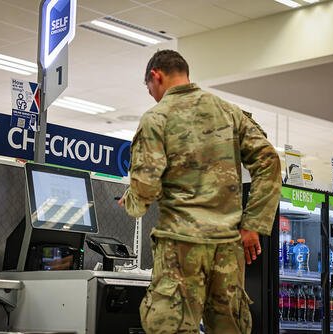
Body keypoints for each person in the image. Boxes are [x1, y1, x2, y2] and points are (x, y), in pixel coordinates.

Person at [118, 50, 282, 334]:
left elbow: (146, 186)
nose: (152, 96)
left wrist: (131, 202)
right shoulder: (230, 112)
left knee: (172, 327)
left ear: (156, 76)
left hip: (180, 248)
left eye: (150, 89)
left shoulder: (156, 117)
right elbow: (269, 162)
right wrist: (253, 225)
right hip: (227, 248)